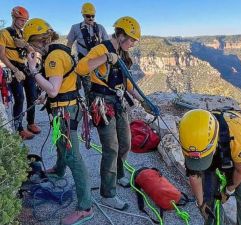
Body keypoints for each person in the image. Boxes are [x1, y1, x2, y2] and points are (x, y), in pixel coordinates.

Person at [76, 16, 150, 210]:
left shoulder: (122, 53)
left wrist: (143, 100)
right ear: (121, 34)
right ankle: (108, 193)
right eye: (131, 39)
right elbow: (81, 68)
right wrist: (107, 57)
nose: (133, 44)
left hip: (118, 102)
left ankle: (119, 175)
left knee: (125, 142)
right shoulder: (102, 49)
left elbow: (126, 83)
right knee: (111, 148)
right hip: (102, 103)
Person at [24, 18, 93, 225]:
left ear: (38, 40)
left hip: (65, 112)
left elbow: (53, 88)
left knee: (74, 156)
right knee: (60, 142)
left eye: (32, 44)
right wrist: (46, 95)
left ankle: (85, 208)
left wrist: (33, 70)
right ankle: (59, 169)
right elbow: (59, 86)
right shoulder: (57, 52)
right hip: (64, 108)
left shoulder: (53, 58)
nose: (32, 48)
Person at [178, 109, 241, 225]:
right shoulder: (190, 139)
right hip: (217, 150)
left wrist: (227, 191)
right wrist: (202, 204)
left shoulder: (236, 137)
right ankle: (213, 220)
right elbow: (194, 175)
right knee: (208, 195)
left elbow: (240, 170)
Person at [0, 6, 41, 139]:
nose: (23, 22)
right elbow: (1, 55)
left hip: (25, 65)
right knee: (19, 98)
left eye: (25, 20)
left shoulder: (25, 34)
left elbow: (33, 51)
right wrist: (14, 70)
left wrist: (24, 44)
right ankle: (19, 129)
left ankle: (31, 122)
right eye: (21, 20)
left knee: (32, 96)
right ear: (14, 18)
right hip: (13, 67)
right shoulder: (4, 33)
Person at [67, 2, 108, 100]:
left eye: (93, 16)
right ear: (83, 15)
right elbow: (69, 44)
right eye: (88, 16)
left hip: (98, 62)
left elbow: (107, 44)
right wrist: (67, 58)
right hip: (84, 62)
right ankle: (90, 110)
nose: (91, 18)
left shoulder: (100, 28)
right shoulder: (75, 28)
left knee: (101, 87)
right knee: (88, 89)